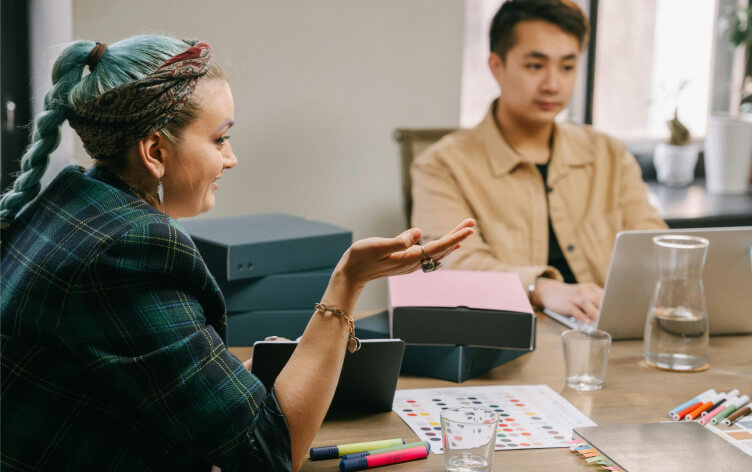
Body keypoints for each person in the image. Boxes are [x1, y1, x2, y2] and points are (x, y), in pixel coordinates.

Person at [0, 36, 474, 472]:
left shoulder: (69, 204)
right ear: (154, 152)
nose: (231, 158)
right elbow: (267, 454)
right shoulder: (130, 251)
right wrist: (349, 280)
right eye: (219, 138)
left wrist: (224, 380)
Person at [411, 0, 665, 324]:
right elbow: (453, 264)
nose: (552, 85)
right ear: (496, 66)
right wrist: (540, 288)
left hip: (609, 330)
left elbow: (654, 246)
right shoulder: (441, 165)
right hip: (509, 333)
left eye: (567, 67)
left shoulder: (609, 154)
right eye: (535, 66)